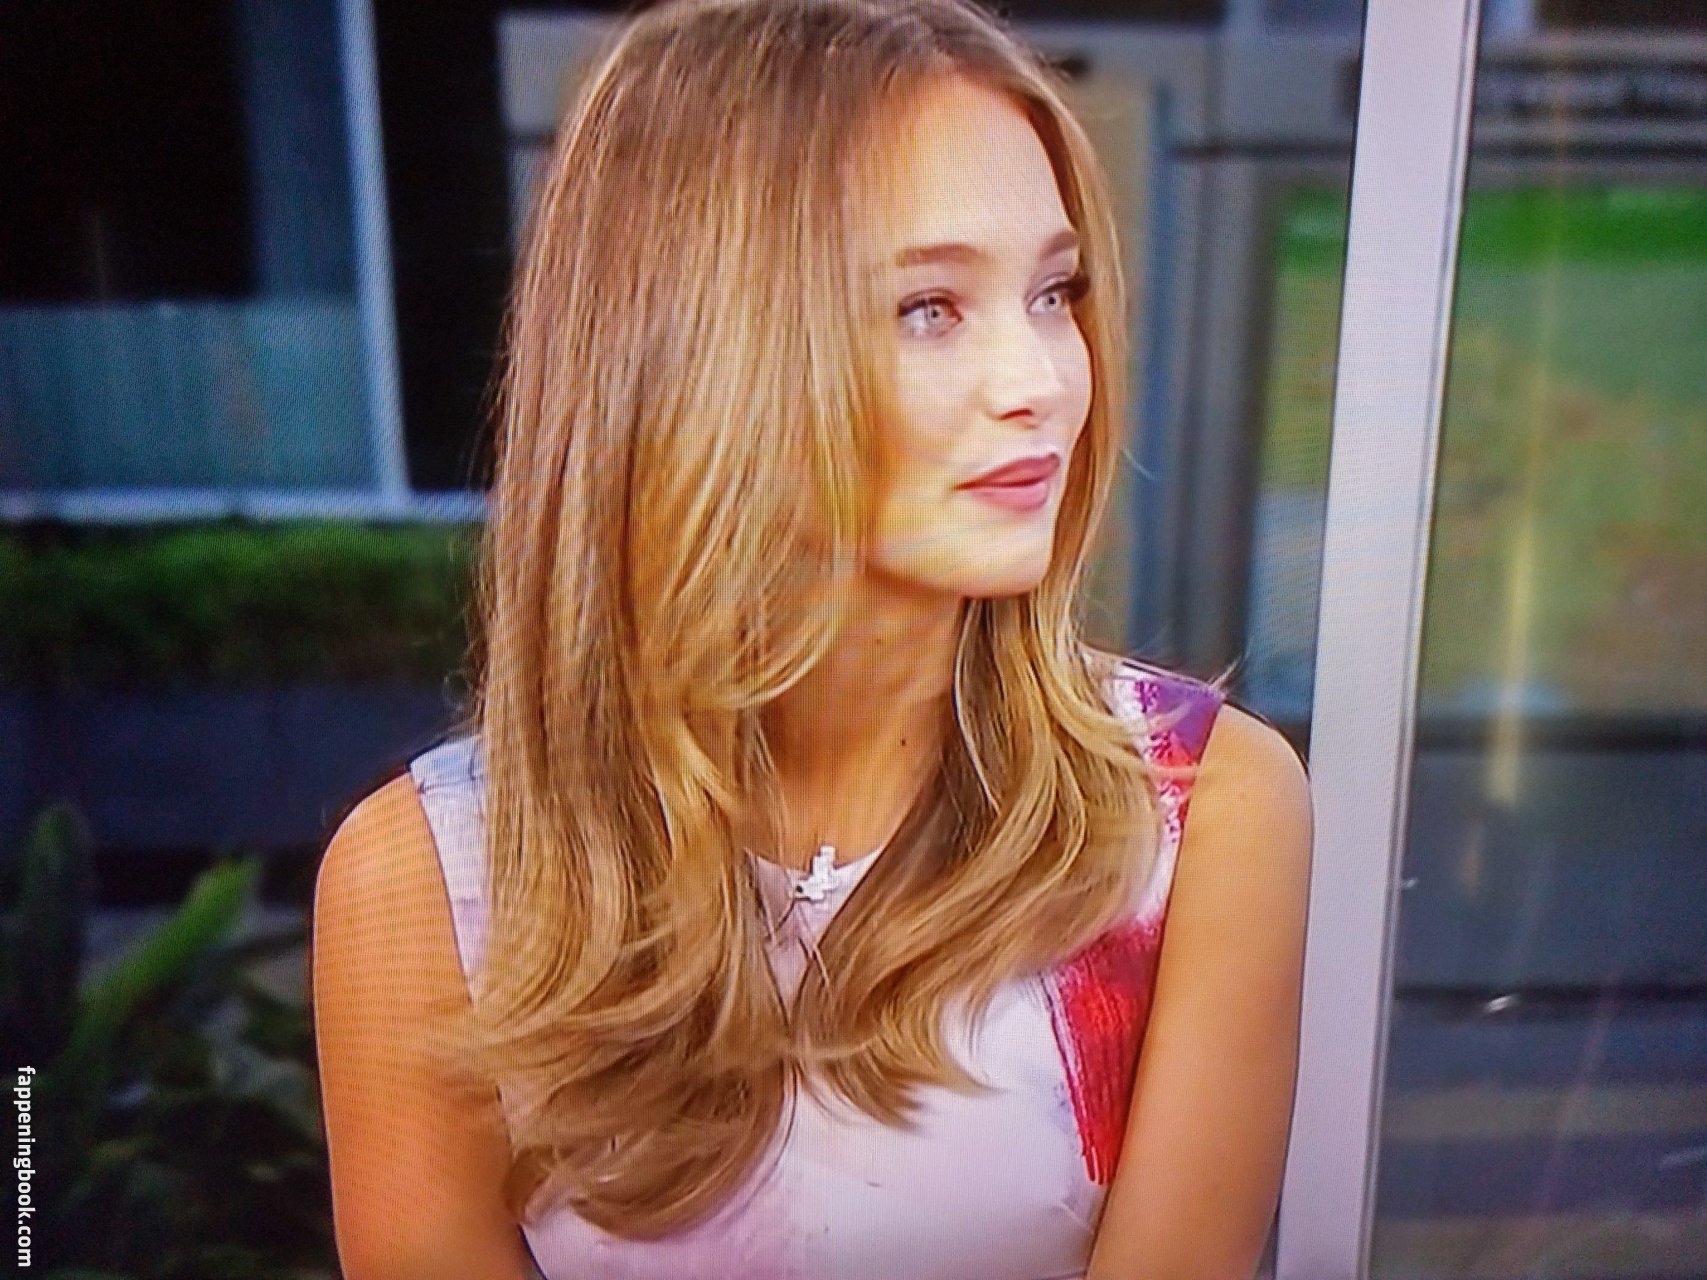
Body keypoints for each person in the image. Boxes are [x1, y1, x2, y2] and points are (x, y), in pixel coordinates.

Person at [310, 0, 1313, 1276]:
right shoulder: (420, 883)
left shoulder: (1203, 813)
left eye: (1053, 291)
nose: (1043, 381)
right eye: (930, 308)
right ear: (698, 352)